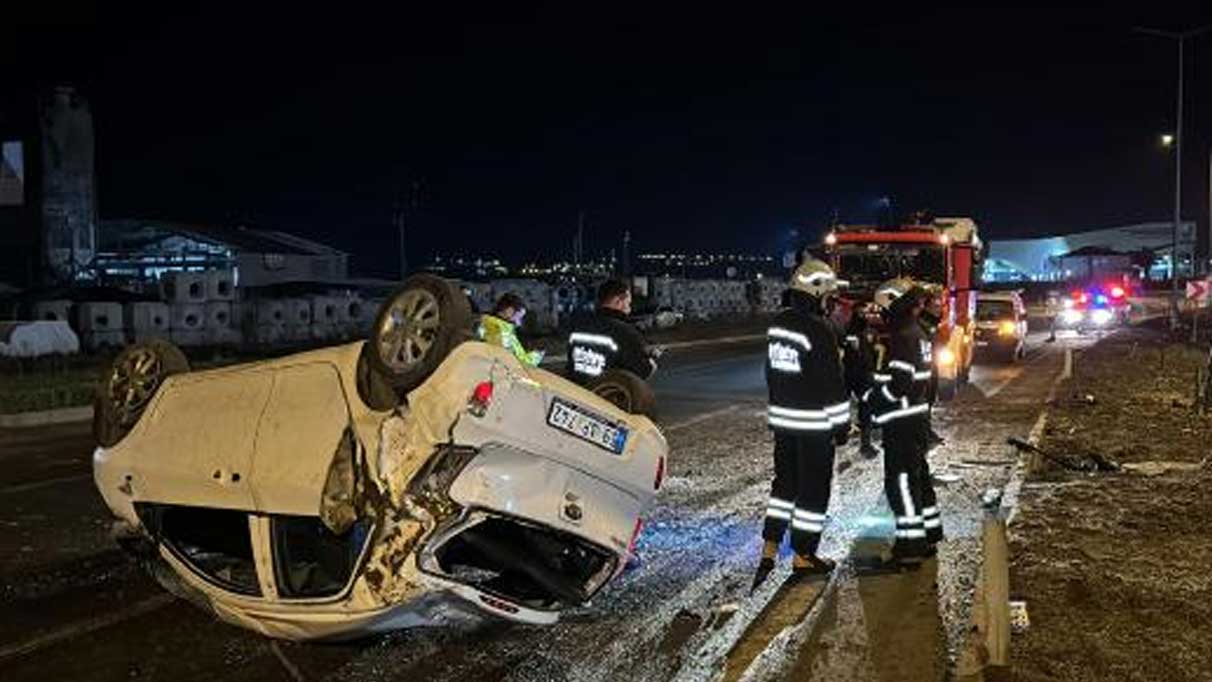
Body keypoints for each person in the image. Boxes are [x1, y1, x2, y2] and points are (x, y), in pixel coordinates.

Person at [752, 258, 850, 590]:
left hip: (783, 422)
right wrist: (841, 426)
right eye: (829, 295)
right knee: (812, 492)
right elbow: (831, 384)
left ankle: (770, 545)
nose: (830, 301)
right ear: (817, 293)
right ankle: (804, 554)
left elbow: (771, 372)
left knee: (784, 486)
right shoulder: (818, 329)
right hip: (813, 427)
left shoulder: (779, 324)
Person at [866, 279, 943, 564]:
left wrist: (876, 398)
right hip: (917, 417)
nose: (882, 314)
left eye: (884, 308)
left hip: (901, 420)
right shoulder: (920, 332)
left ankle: (910, 546)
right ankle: (928, 536)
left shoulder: (902, 335)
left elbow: (899, 383)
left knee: (901, 483)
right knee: (919, 478)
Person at [566, 279, 659, 385]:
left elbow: (571, 363)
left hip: (578, 394)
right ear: (618, 301)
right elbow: (643, 371)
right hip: (607, 395)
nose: (630, 307)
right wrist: (651, 363)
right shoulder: (625, 332)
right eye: (628, 302)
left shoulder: (579, 326)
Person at [842, 309, 880, 459]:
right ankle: (845, 434)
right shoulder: (849, 330)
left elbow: (872, 351)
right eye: (861, 313)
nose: (865, 315)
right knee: (851, 406)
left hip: (861, 375)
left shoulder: (869, 331)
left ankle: (865, 442)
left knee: (866, 407)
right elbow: (850, 350)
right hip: (853, 373)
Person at [478, 292, 544, 367]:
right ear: (509, 309)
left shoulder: (485, 325)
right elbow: (520, 363)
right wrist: (537, 355)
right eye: (518, 316)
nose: (518, 322)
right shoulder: (504, 332)